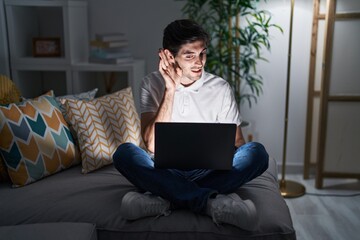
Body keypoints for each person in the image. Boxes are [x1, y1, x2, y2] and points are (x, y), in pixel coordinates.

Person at [112, 19, 269, 231]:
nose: (200, 62)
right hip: (164, 168)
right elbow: (151, 145)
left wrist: (225, 157)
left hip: (207, 172)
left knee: (257, 153)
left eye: (202, 53)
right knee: (124, 154)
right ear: (168, 55)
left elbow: (238, 143)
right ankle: (211, 202)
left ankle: (165, 198)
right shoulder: (150, 84)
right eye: (190, 55)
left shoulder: (220, 87)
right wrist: (170, 89)